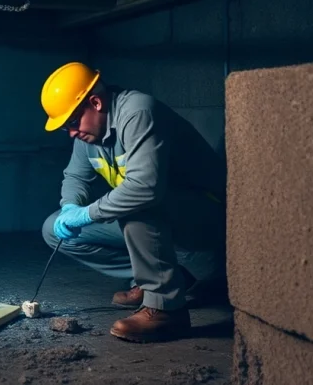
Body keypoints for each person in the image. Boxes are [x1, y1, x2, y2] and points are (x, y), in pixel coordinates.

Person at [39, 61, 227, 343]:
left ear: (96, 102)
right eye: (66, 127)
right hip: (157, 217)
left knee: (136, 204)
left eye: (73, 122)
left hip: (206, 216)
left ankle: (167, 308)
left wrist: (86, 214)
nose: (72, 132)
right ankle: (166, 278)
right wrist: (70, 207)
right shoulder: (87, 134)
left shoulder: (138, 112)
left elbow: (144, 189)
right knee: (53, 229)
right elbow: (75, 176)